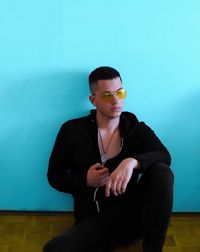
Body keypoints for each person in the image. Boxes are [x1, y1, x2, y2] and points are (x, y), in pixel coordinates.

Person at [43, 66, 174, 252]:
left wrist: (131, 162)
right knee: (54, 249)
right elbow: (54, 176)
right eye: (106, 95)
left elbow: (164, 156)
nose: (116, 100)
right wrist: (85, 180)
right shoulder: (72, 131)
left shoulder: (135, 129)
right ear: (93, 100)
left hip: (133, 216)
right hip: (93, 222)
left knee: (161, 171)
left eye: (120, 92)